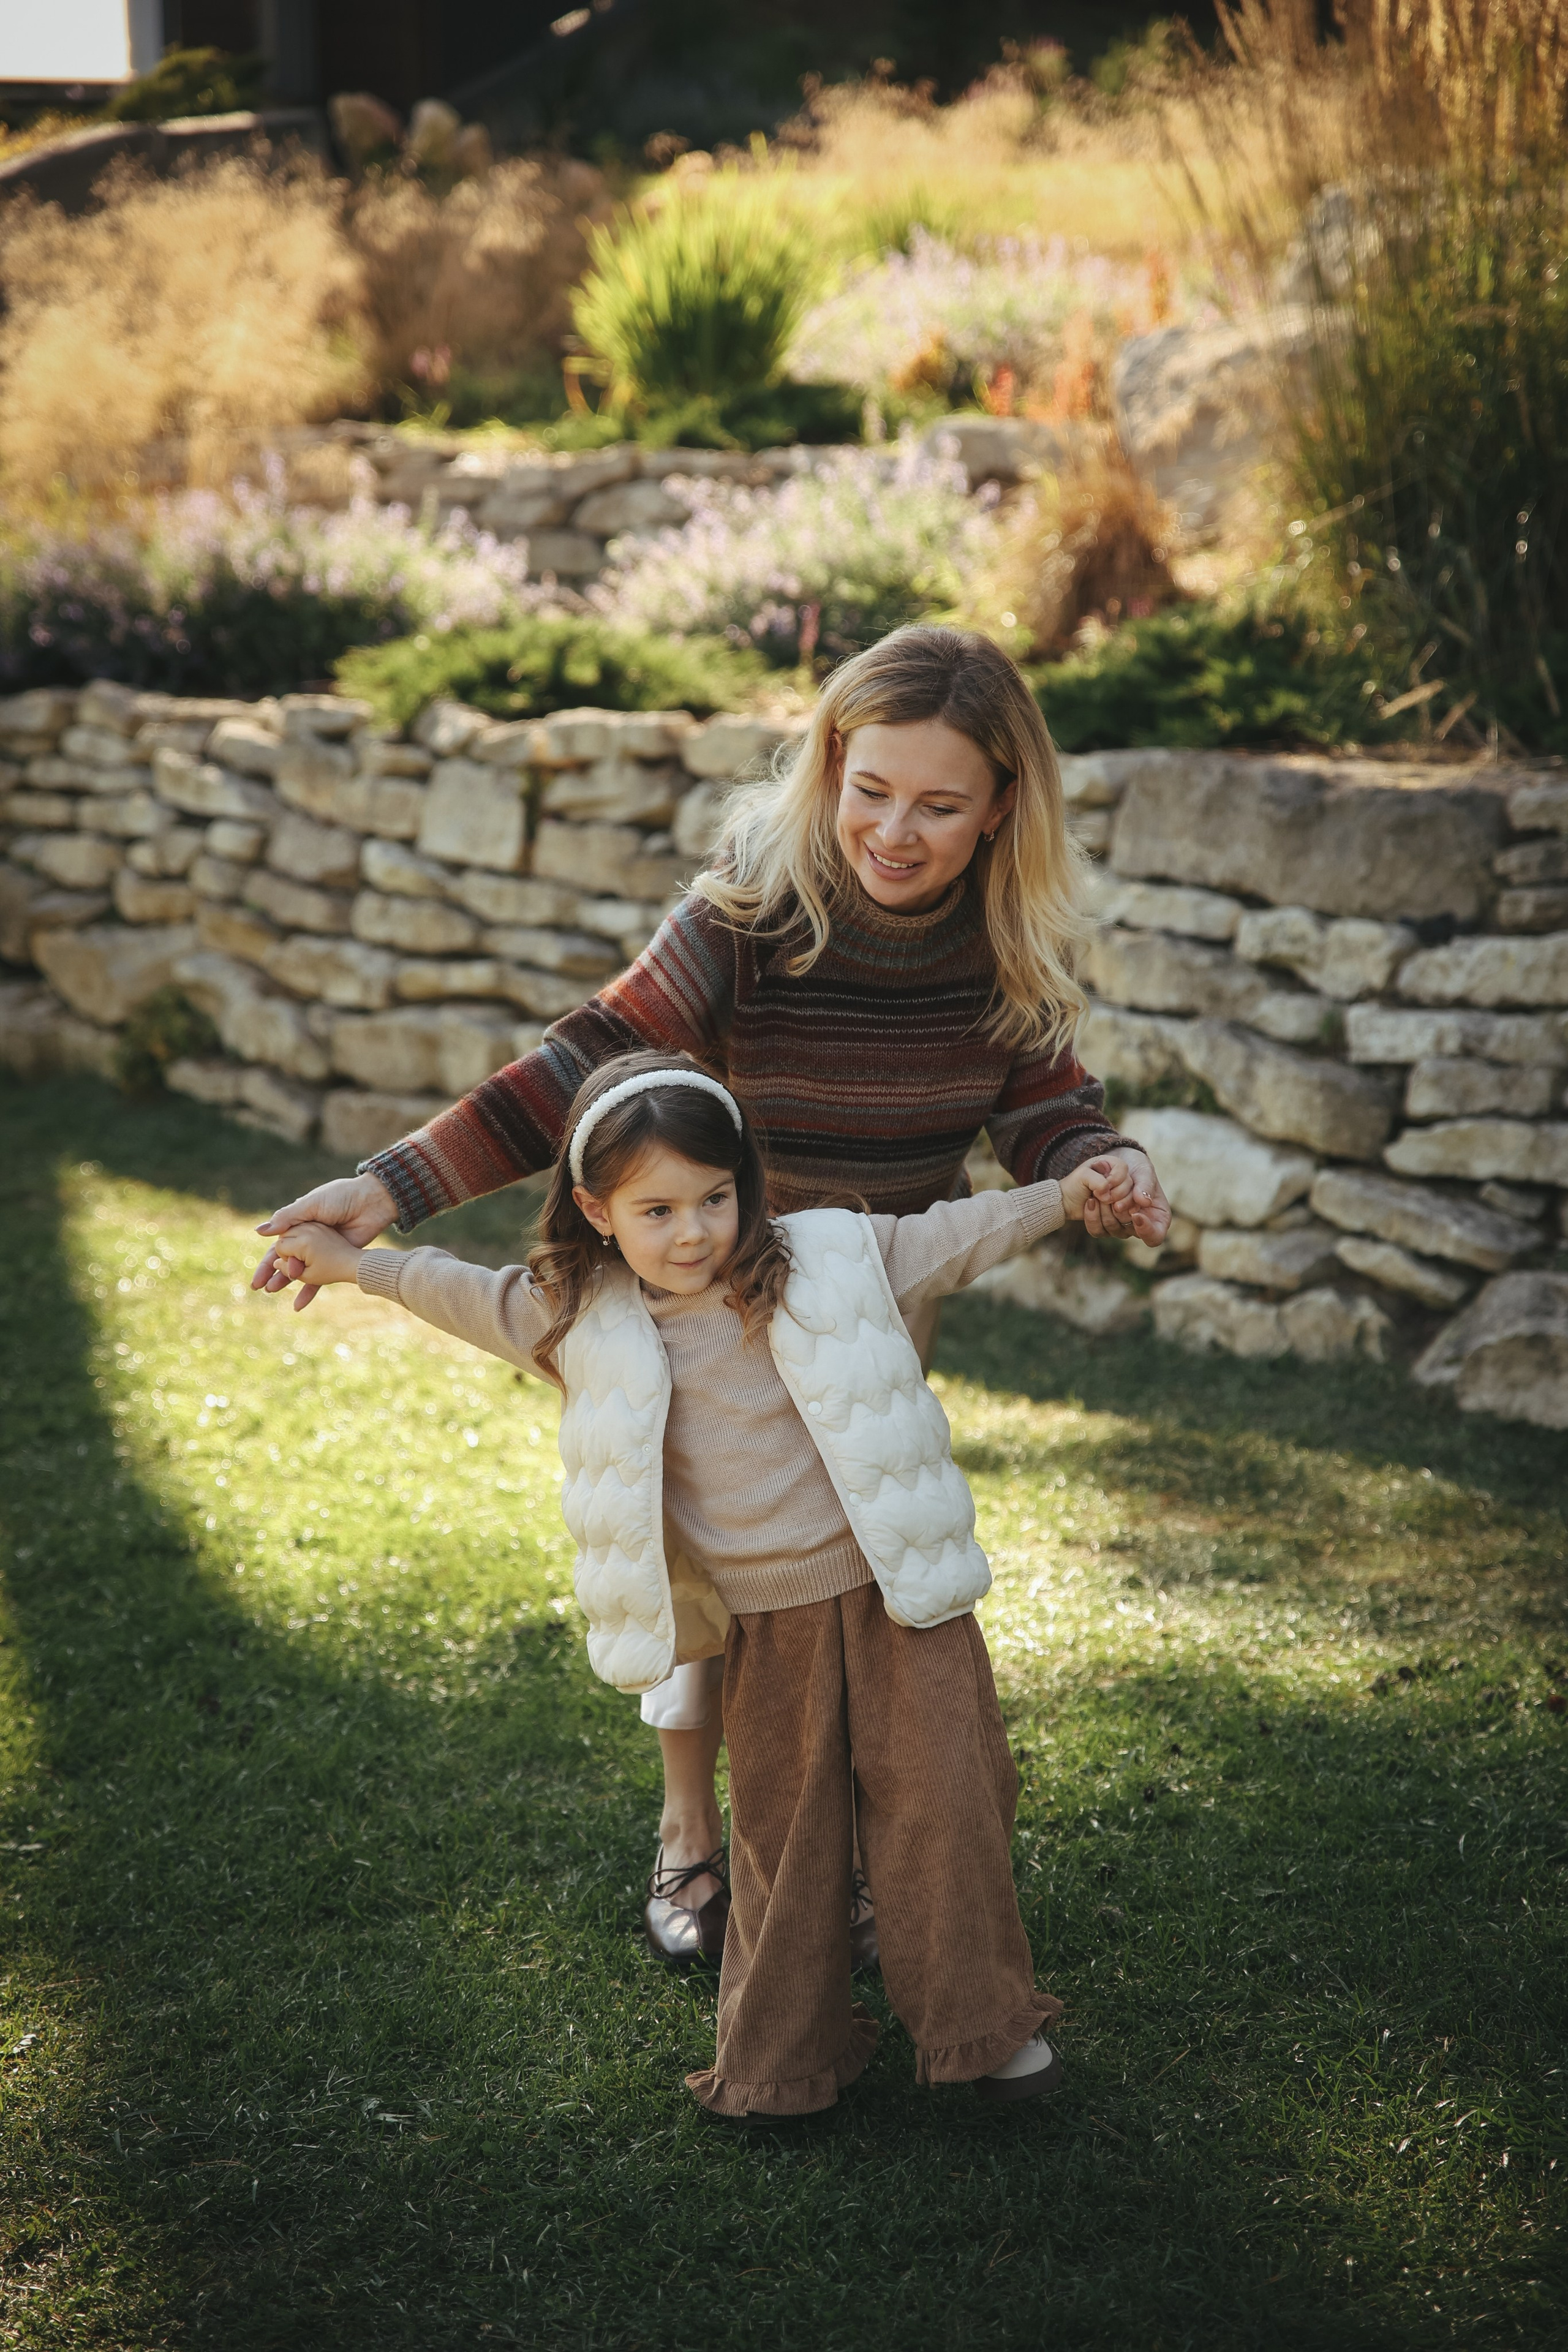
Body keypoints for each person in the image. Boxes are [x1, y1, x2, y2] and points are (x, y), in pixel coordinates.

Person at [251, 624, 1170, 1962]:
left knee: (858, 1579)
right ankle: (692, 1835)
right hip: (700, 1297)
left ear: (1000, 810)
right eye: (868, 789)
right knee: (701, 1561)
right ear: (829, 766)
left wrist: (1103, 1165)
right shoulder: (749, 911)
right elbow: (589, 1061)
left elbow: (1047, 1115)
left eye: (936, 804)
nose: (893, 832)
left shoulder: (1003, 948)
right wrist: (390, 1190)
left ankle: (844, 1854)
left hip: (871, 1311)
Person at [266, 1052, 1167, 2115]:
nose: (692, 1231)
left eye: (715, 1198)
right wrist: (351, 1262)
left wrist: (1064, 1194)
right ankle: (784, 2059)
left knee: (947, 1804)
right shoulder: (578, 1317)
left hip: (898, 1599)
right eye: (657, 1208)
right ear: (598, 1211)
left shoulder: (828, 1256)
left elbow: (947, 1239)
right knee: (785, 1842)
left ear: (747, 1183)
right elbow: (458, 1291)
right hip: (769, 1631)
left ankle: (979, 2030)